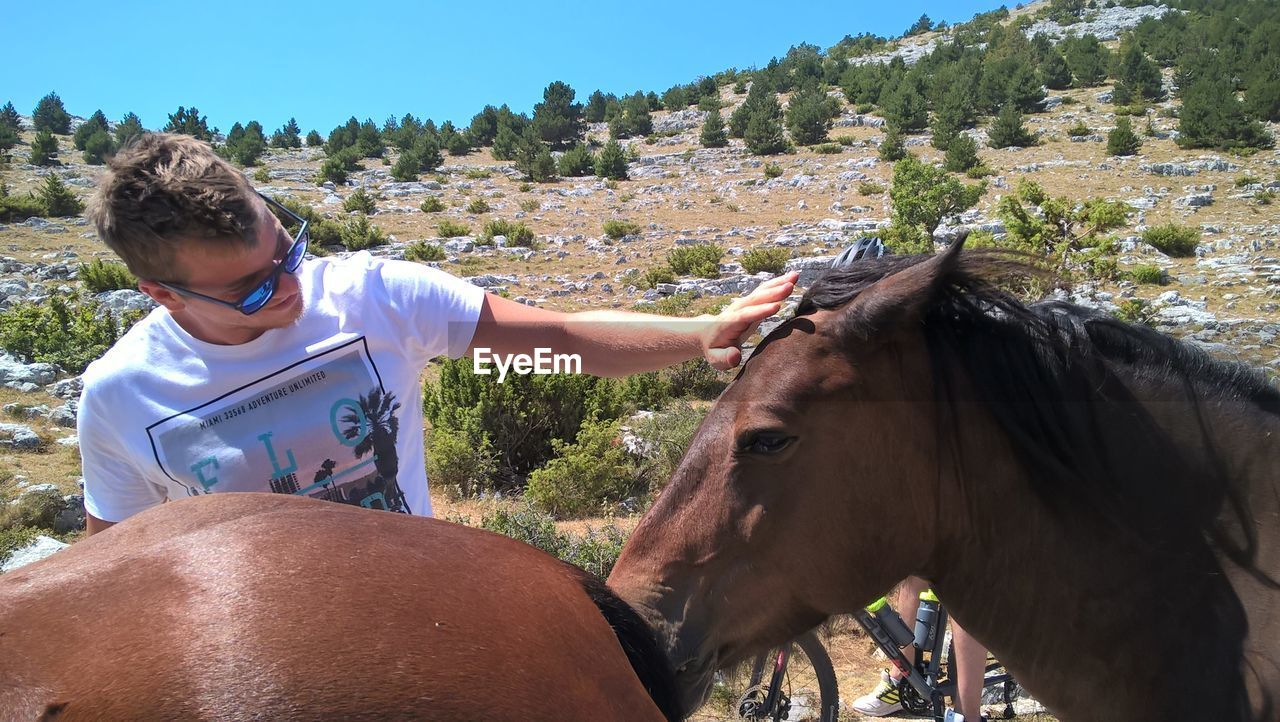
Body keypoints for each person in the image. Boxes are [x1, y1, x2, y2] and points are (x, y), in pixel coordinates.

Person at [78, 133, 797, 533]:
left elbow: (562, 339)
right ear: (161, 295)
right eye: (255, 290)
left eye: (288, 248)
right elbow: (119, 575)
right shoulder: (119, 398)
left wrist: (702, 330)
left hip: (422, 634)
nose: (294, 286)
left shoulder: (375, 296)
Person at [829, 242, 989, 722]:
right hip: (930, 480)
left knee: (961, 586)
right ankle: (904, 677)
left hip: (974, 478)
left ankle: (968, 711)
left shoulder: (926, 345)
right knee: (909, 571)